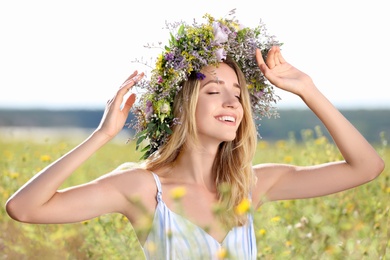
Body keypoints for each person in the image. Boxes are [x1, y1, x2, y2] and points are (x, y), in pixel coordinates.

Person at [5, 12, 384, 260]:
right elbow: (24, 209)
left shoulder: (249, 186)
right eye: (214, 90)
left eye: (238, 93)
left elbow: (367, 167)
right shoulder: (142, 188)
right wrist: (103, 135)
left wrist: (308, 90)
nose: (232, 102)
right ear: (183, 105)